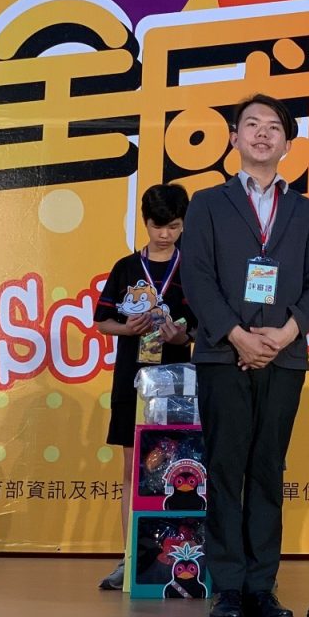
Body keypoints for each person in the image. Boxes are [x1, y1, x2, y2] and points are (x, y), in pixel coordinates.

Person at [182, 94, 309, 617]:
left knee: (268, 469)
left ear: (287, 143)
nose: (263, 133)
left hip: (283, 358)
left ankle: (261, 587)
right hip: (223, 356)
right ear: (234, 137)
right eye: (252, 124)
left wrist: (286, 334)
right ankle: (228, 587)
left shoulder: (306, 210)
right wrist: (237, 336)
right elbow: (196, 276)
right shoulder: (207, 202)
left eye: (274, 127)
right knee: (225, 469)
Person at [95, 183, 195, 591]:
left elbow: (201, 327)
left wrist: (180, 335)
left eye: (174, 226)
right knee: (132, 469)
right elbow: (102, 321)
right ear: (145, 222)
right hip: (132, 382)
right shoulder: (125, 267)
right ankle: (130, 557)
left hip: (178, 384)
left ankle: (183, 555)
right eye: (157, 226)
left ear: (183, 224)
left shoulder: (193, 267)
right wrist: (128, 328)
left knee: (180, 469)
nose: (165, 234)